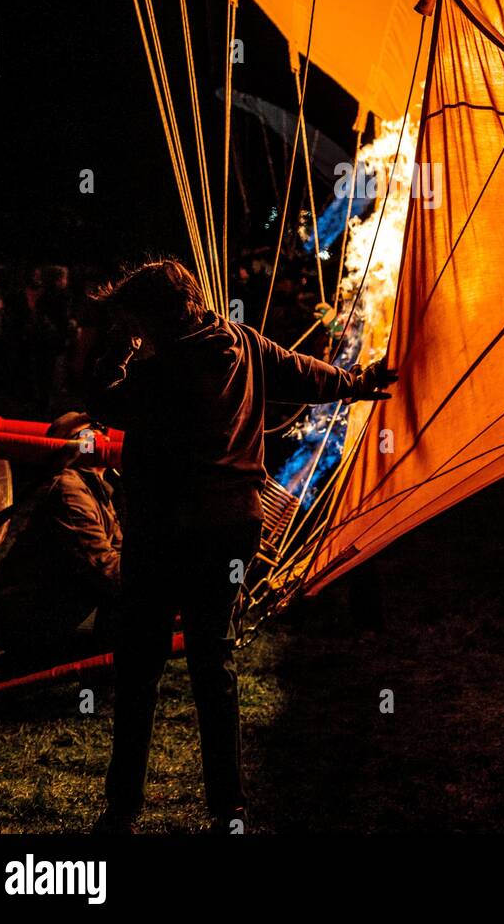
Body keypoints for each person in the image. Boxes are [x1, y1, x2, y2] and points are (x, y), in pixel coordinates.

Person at [86, 257, 396, 834]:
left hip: (163, 532)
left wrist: (118, 351)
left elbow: (102, 400)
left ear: (153, 316)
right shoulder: (246, 344)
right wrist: (360, 382)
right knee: (215, 664)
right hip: (233, 528)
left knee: (140, 669)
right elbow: (310, 375)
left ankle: (124, 804)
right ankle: (227, 806)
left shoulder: (157, 374)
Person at [0, 414, 122, 657]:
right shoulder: (68, 489)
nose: (103, 436)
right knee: (133, 616)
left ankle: (105, 688)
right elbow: (104, 569)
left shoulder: (96, 490)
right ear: (71, 447)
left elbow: (120, 552)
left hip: (52, 605)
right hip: (28, 618)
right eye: (90, 431)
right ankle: (101, 691)